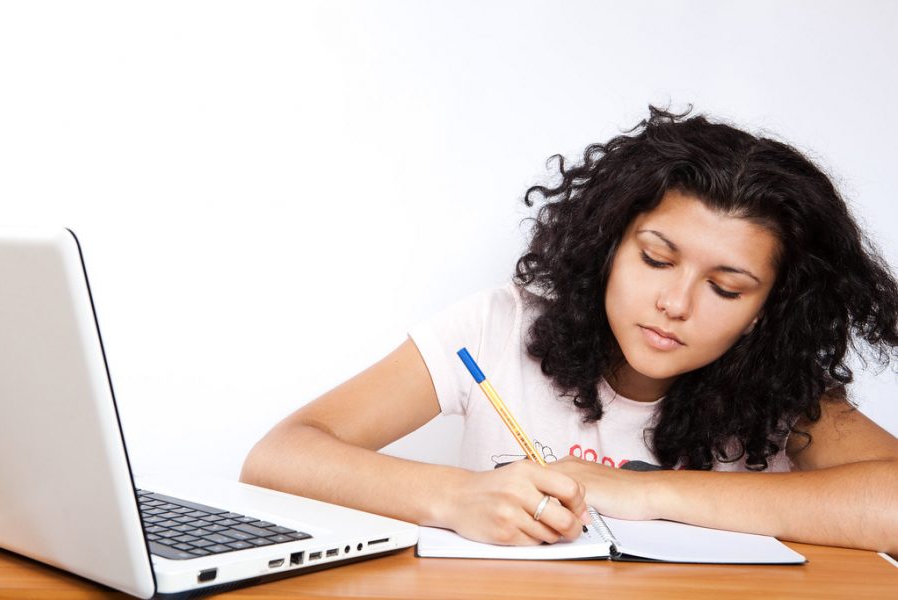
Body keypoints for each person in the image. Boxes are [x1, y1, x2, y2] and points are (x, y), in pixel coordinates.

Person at [240, 107, 898, 553]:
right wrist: (460, 498)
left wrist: (641, 492)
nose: (675, 302)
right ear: (610, 244)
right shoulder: (501, 326)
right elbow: (280, 455)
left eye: (725, 288)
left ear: (767, 309)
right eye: (655, 259)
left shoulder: (778, 387)